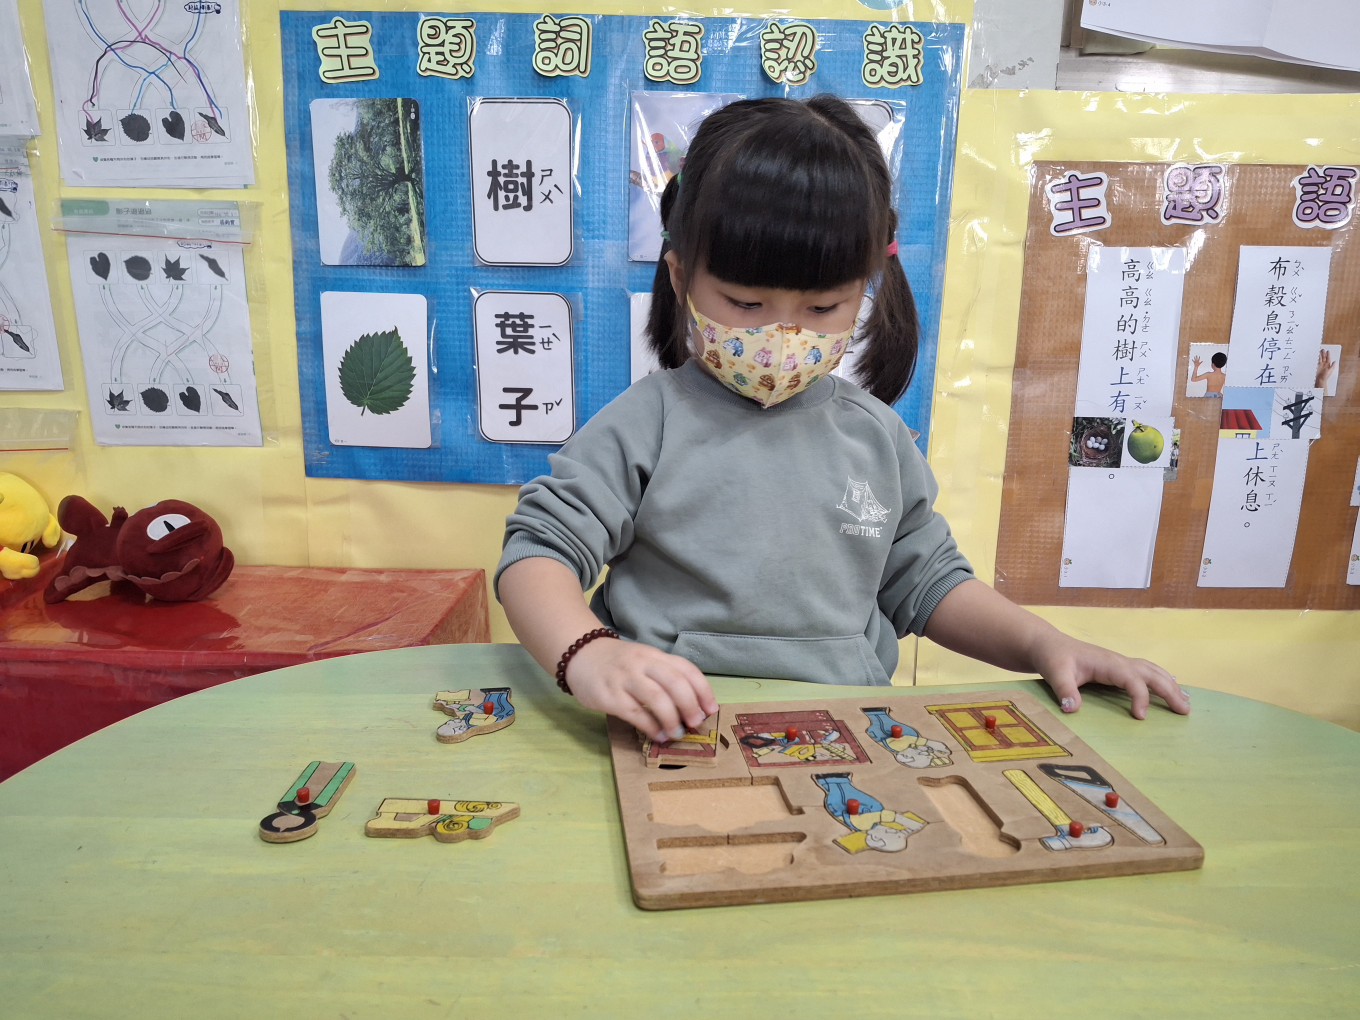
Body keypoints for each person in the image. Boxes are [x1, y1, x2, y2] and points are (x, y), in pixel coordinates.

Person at [496, 95, 1190, 746]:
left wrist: (1047, 644)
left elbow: (927, 582)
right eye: (745, 304)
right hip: (670, 730)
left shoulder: (875, 437)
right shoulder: (646, 423)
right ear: (680, 279)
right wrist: (588, 654)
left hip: (844, 735)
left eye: (823, 309)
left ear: (865, 292)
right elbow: (536, 555)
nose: (782, 333)